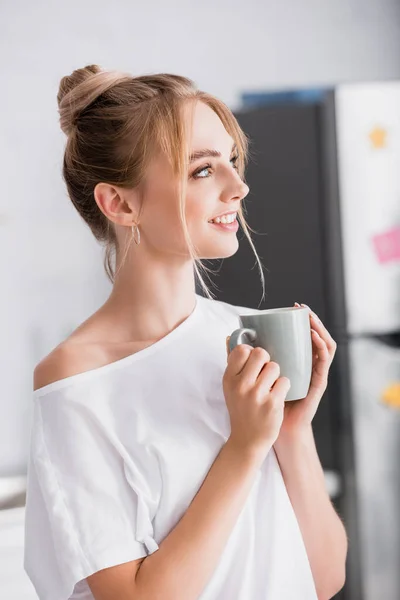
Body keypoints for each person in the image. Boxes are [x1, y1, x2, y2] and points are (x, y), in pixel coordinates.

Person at [23, 65, 347, 600]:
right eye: (202, 170)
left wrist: (290, 431)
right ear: (120, 204)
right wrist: (244, 446)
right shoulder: (77, 378)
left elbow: (325, 579)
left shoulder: (244, 338)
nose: (238, 187)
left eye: (233, 162)